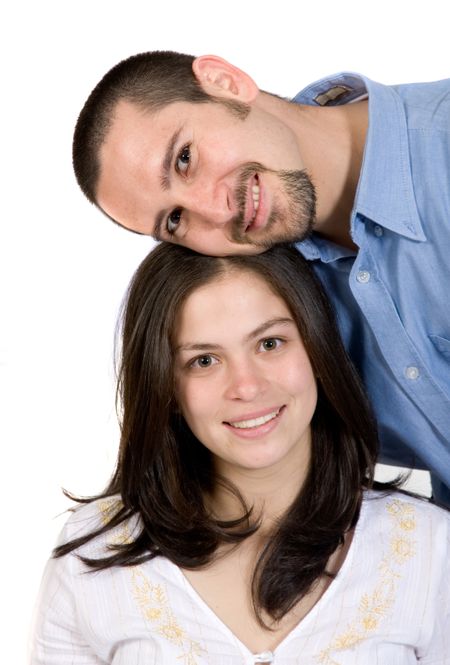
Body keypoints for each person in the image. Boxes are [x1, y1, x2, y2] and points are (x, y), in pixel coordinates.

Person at [31, 243, 449, 663]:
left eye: (270, 343)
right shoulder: (95, 554)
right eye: (205, 360)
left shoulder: (430, 547)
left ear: (317, 349)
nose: (247, 387)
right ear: (167, 387)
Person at [72, 51, 450, 507]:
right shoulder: (274, 310)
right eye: (174, 220)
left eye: (186, 159)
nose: (215, 210)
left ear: (225, 81)